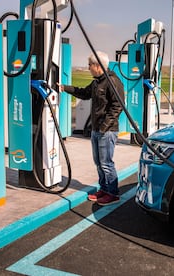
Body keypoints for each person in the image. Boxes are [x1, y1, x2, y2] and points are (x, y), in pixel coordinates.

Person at [58, 51, 124, 206]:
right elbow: (84, 93)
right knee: (98, 162)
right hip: (97, 129)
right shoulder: (96, 82)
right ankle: (104, 189)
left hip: (107, 131)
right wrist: (64, 88)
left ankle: (113, 193)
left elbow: (118, 106)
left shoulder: (112, 81)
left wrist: (103, 127)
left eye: (89, 65)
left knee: (106, 163)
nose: (88, 68)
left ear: (98, 66)